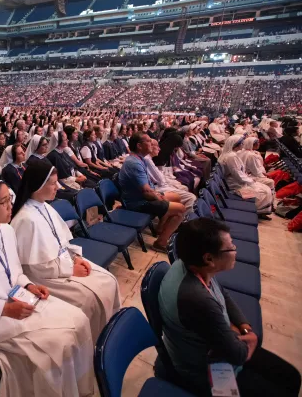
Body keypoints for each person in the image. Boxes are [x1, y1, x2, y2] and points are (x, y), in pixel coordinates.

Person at [0, 177, 95, 397]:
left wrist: (30, 285)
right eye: (3, 202)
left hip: (18, 298)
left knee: (78, 319)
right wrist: (4, 309)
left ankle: (77, 387)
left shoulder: (6, 230)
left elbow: (14, 272)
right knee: (58, 342)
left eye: (9, 199)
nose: (10, 206)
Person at [159, 218, 301, 397]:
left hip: (217, 346)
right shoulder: (197, 298)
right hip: (204, 369)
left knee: (290, 376)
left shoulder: (190, 263)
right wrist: (252, 338)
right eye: (231, 247)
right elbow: (238, 355)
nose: (235, 250)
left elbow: (223, 293)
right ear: (209, 258)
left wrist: (243, 326)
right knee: (287, 383)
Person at [10, 160, 120, 341]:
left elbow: (62, 240)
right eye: (53, 184)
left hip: (61, 264)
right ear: (38, 186)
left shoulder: (44, 206)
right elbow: (36, 266)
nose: (57, 187)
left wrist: (76, 258)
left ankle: (109, 336)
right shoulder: (26, 219)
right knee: (89, 298)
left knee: (109, 280)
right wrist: (71, 269)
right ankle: (93, 342)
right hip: (44, 275)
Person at [118, 132, 185, 252]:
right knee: (180, 209)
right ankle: (161, 242)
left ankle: (160, 229)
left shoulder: (139, 159)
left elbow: (149, 189)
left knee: (176, 197)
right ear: (139, 146)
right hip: (137, 203)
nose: (152, 143)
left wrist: (158, 196)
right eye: (148, 141)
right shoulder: (134, 163)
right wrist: (160, 198)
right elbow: (147, 192)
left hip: (144, 196)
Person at [218, 135, 273, 217]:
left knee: (265, 188)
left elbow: (239, 172)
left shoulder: (232, 154)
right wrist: (250, 181)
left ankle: (259, 211)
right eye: (241, 143)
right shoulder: (231, 157)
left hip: (236, 182)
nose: (242, 145)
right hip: (235, 186)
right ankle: (255, 212)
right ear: (235, 145)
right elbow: (238, 174)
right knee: (264, 192)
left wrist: (249, 179)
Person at [146, 139, 196, 214]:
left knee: (184, 187)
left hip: (161, 184)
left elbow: (160, 177)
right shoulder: (146, 159)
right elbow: (160, 180)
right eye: (157, 146)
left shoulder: (148, 159)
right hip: (157, 188)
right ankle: (185, 220)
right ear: (151, 147)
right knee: (191, 198)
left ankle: (180, 216)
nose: (159, 149)